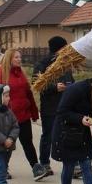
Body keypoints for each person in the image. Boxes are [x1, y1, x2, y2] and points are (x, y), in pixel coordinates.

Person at [0, 49, 47, 181]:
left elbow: (28, 94)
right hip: (7, 117)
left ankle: (36, 168)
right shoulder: (0, 73)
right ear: (9, 58)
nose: (19, 59)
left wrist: (34, 112)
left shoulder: (21, 73)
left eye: (19, 57)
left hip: (23, 115)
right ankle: (3, 169)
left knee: (28, 142)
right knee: (8, 145)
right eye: (16, 57)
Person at [33, 36, 74, 176]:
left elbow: (71, 80)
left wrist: (72, 88)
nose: (67, 50)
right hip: (50, 106)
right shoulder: (42, 64)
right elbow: (36, 84)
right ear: (58, 48)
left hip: (65, 105)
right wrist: (54, 87)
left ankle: (71, 165)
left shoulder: (66, 63)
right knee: (48, 136)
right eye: (64, 47)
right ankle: (44, 163)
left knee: (67, 135)